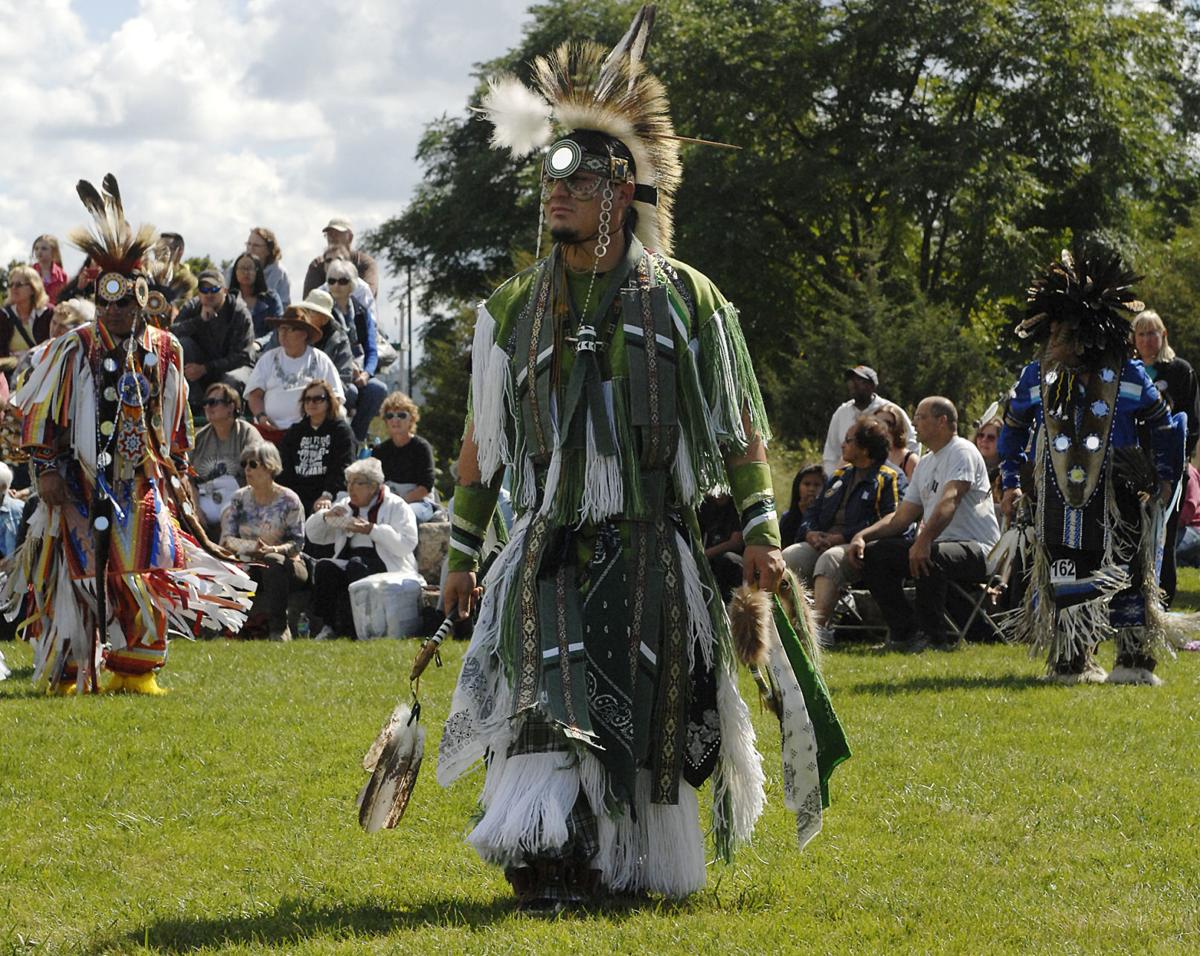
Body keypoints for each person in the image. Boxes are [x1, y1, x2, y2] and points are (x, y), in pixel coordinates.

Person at [435, 14, 845, 911]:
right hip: (544, 545)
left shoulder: (688, 301)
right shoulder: (511, 310)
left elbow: (739, 427)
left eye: (577, 183)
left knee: (644, 714)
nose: (557, 199)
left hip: (652, 543)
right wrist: (461, 558)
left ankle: (620, 858)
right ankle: (544, 848)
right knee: (547, 697)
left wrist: (765, 536)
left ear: (621, 192)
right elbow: (480, 449)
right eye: (552, 185)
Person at [0, 175, 254, 695]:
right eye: (106, 302)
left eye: (124, 303)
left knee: (147, 566)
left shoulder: (166, 350)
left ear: (141, 299)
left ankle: (133, 672)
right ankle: (69, 671)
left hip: (141, 482)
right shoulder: (71, 348)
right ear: (97, 300)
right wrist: (45, 469)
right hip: (75, 481)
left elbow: (177, 421)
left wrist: (178, 474)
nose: (114, 311)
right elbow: (41, 414)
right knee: (74, 573)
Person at [999, 249, 1185, 685]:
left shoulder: (1129, 376)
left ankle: (1132, 661)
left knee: (1127, 572)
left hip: (1119, 495)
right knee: (1067, 570)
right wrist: (1011, 480)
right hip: (1057, 498)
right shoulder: (1036, 377)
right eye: (1059, 333)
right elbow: (1011, 430)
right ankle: (1072, 659)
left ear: (1096, 334)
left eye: (1072, 333)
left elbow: (1166, 425)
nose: (1064, 343)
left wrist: (1163, 478)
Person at [848, 396, 999, 653]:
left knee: (930, 554)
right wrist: (862, 536)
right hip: (940, 545)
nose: (915, 422)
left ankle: (935, 638)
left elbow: (951, 499)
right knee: (876, 554)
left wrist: (924, 540)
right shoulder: (927, 462)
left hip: (979, 549)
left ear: (942, 421)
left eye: (921, 416)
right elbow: (902, 517)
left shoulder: (962, 451)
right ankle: (906, 632)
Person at [785, 417, 903, 643]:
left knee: (829, 560)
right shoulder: (840, 476)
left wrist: (843, 537)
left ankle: (816, 631)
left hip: (859, 546)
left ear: (865, 449)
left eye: (848, 440)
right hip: (823, 540)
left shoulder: (889, 477)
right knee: (788, 557)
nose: (843, 445)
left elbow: (890, 519)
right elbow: (812, 511)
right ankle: (790, 626)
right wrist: (810, 533)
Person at [304, 457, 418, 639]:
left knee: (357, 566)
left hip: (388, 564)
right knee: (325, 567)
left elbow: (406, 544)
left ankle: (356, 631)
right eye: (348, 482)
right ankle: (329, 627)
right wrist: (325, 517)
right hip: (350, 559)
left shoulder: (397, 506)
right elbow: (313, 535)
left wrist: (372, 529)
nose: (350, 488)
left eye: (357, 483)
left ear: (373, 486)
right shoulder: (345, 506)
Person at [1130, 309, 1199, 607]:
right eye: (1141, 334)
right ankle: (1131, 605)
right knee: (1131, 538)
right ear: (1134, 339)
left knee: (1164, 538)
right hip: (1131, 466)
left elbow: (1191, 423)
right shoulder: (1128, 372)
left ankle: (1161, 605)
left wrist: (1179, 463)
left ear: (1164, 335)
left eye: (1152, 333)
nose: (1147, 339)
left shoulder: (1179, 371)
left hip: (1169, 468)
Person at [219, 443, 306, 642]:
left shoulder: (289, 500)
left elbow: (298, 542)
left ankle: (279, 629)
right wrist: (252, 548)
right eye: (244, 464)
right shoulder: (239, 498)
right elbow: (227, 540)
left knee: (272, 560)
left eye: (252, 464)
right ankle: (229, 630)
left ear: (269, 467)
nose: (246, 469)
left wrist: (272, 549)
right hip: (248, 562)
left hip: (288, 565)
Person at [245, 304, 345, 436]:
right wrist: (261, 417)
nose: (283, 334)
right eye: (281, 329)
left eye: (290, 329)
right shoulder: (268, 359)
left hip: (309, 433)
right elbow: (254, 395)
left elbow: (335, 398)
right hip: (270, 430)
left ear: (304, 334)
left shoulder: (321, 360)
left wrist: (317, 423)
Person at [171, 267, 256, 406]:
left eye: (214, 289)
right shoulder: (192, 307)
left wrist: (206, 368)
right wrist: (199, 321)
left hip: (234, 369)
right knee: (182, 344)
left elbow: (243, 357)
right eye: (204, 290)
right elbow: (171, 336)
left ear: (225, 291)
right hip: (201, 369)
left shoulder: (239, 312)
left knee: (230, 380)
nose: (209, 294)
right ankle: (195, 405)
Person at [324, 259, 387, 441]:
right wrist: (346, 367)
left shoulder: (361, 311)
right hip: (334, 371)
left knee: (377, 390)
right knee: (350, 392)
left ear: (352, 284)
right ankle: (337, 437)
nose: (336, 285)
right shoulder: (324, 311)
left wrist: (366, 374)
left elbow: (372, 350)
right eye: (331, 280)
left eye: (342, 281)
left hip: (359, 371)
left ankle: (356, 439)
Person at [191, 382, 264, 535]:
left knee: (230, 515)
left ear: (231, 406)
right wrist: (195, 509)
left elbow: (258, 472)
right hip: (203, 498)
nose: (207, 407)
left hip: (238, 498)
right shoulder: (199, 438)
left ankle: (226, 554)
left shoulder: (247, 433)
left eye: (213, 403)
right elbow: (187, 477)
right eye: (205, 403)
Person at [278, 379, 355, 516]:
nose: (311, 403)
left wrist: (327, 494)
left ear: (329, 401)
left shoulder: (341, 431)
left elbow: (343, 466)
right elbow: (285, 467)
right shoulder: (295, 432)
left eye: (318, 399)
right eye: (307, 399)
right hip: (296, 495)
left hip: (329, 496)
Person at [822, 366, 916, 475]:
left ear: (872, 386)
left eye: (860, 381)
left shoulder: (890, 411)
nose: (854, 385)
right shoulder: (842, 413)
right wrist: (831, 479)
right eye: (851, 381)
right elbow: (831, 452)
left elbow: (911, 444)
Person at [371, 391, 438, 522]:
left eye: (401, 415)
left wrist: (400, 503)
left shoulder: (422, 447)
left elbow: (426, 486)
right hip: (388, 502)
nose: (395, 420)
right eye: (390, 416)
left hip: (419, 503)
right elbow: (374, 483)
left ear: (411, 419)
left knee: (405, 516)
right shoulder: (379, 451)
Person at [302, 217, 378, 299]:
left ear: (350, 237)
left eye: (337, 233)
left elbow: (368, 296)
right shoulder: (318, 264)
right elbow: (309, 299)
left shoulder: (364, 263)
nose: (332, 237)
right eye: (329, 234)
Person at [0, 265, 53, 381]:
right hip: (10, 378)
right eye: (11, 284)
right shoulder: (3, 316)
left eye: (19, 284)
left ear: (33, 288)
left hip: (42, 377)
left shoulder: (48, 314)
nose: (13, 288)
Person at [228, 252, 283, 338]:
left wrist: (259, 343)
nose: (246, 272)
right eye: (242, 268)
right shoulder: (228, 300)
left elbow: (278, 328)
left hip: (264, 349)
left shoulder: (271, 299)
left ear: (258, 271)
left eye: (250, 268)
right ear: (235, 272)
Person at [232, 227, 291, 306]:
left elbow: (284, 304)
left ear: (268, 250)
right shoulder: (235, 268)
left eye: (256, 246)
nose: (250, 249)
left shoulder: (279, 273)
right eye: (249, 244)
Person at [779, 463, 825, 546]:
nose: (811, 489)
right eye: (807, 484)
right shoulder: (787, 518)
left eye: (817, 485)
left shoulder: (826, 517)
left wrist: (807, 513)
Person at [875, 402, 919, 480]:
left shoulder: (910, 460)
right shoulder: (866, 455)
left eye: (888, 423)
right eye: (877, 423)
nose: (882, 427)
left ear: (897, 427)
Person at [30, 235, 67, 306]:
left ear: (53, 252)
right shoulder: (30, 272)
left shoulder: (62, 275)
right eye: (36, 248)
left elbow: (65, 298)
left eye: (44, 248)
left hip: (54, 313)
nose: (39, 251)